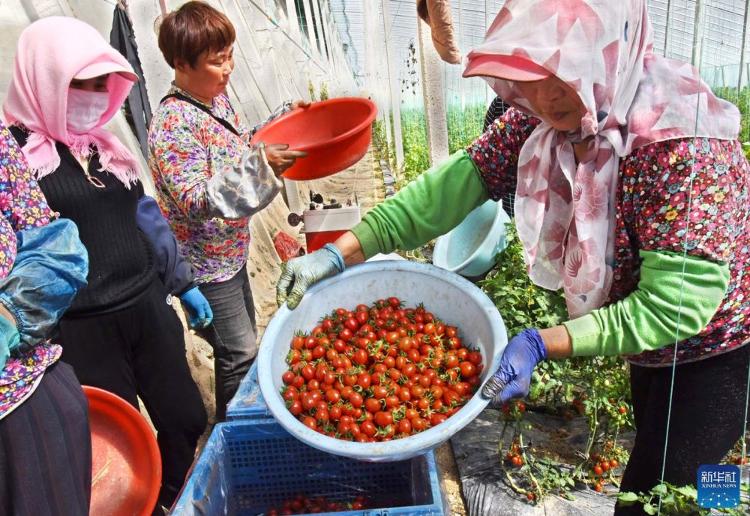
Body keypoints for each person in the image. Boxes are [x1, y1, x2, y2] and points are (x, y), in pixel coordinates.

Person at [277, 1, 750, 513]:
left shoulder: (680, 143)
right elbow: (450, 189)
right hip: (646, 348)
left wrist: (539, 344)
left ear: (607, 54)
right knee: (656, 451)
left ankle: (721, 497)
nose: (546, 96)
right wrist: (341, 253)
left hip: (717, 347)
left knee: (667, 493)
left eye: (564, 73)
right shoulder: (555, 118)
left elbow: (673, 306)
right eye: (535, 75)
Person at [4, 17, 208, 508]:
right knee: (114, 444)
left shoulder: (106, 149)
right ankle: (145, 501)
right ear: (44, 79)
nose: (94, 96)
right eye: (81, 84)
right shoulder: (17, 158)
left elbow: (147, 220)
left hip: (145, 307)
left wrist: (182, 283)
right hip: (79, 328)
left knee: (184, 417)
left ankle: (172, 493)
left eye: (102, 85)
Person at [149, 1, 307, 421]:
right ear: (182, 63)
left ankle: (244, 417)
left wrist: (282, 121)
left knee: (242, 346)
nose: (230, 68)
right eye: (218, 61)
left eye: (231, 55)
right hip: (204, 267)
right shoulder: (173, 123)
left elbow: (239, 146)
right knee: (238, 352)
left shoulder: (216, 102)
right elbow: (195, 199)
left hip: (231, 254)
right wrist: (259, 166)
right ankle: (235, 431)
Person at [0, 120, 90, 515]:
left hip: (18, 404)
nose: (95, 95)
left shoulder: (105, 147)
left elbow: (56, 245)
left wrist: (8, 316)